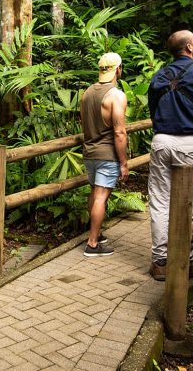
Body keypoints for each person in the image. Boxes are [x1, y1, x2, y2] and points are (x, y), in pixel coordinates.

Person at [147, 30, 193, 281]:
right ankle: (185, 260)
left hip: (162, 142)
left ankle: (161, 261)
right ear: (190, 47)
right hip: (191, 143)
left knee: (160, 200)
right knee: (192, 200)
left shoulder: (159, 75)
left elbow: (154, 111)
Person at [80, 52, 129, 257]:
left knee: (94, 193)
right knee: (101, 197)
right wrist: (124, 163)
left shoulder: (88, 93)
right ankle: (92, 244)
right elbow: (119, 131)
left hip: (89, 152)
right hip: (107, 154)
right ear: (118, 70)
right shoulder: (116, 96)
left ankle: (96, 234)